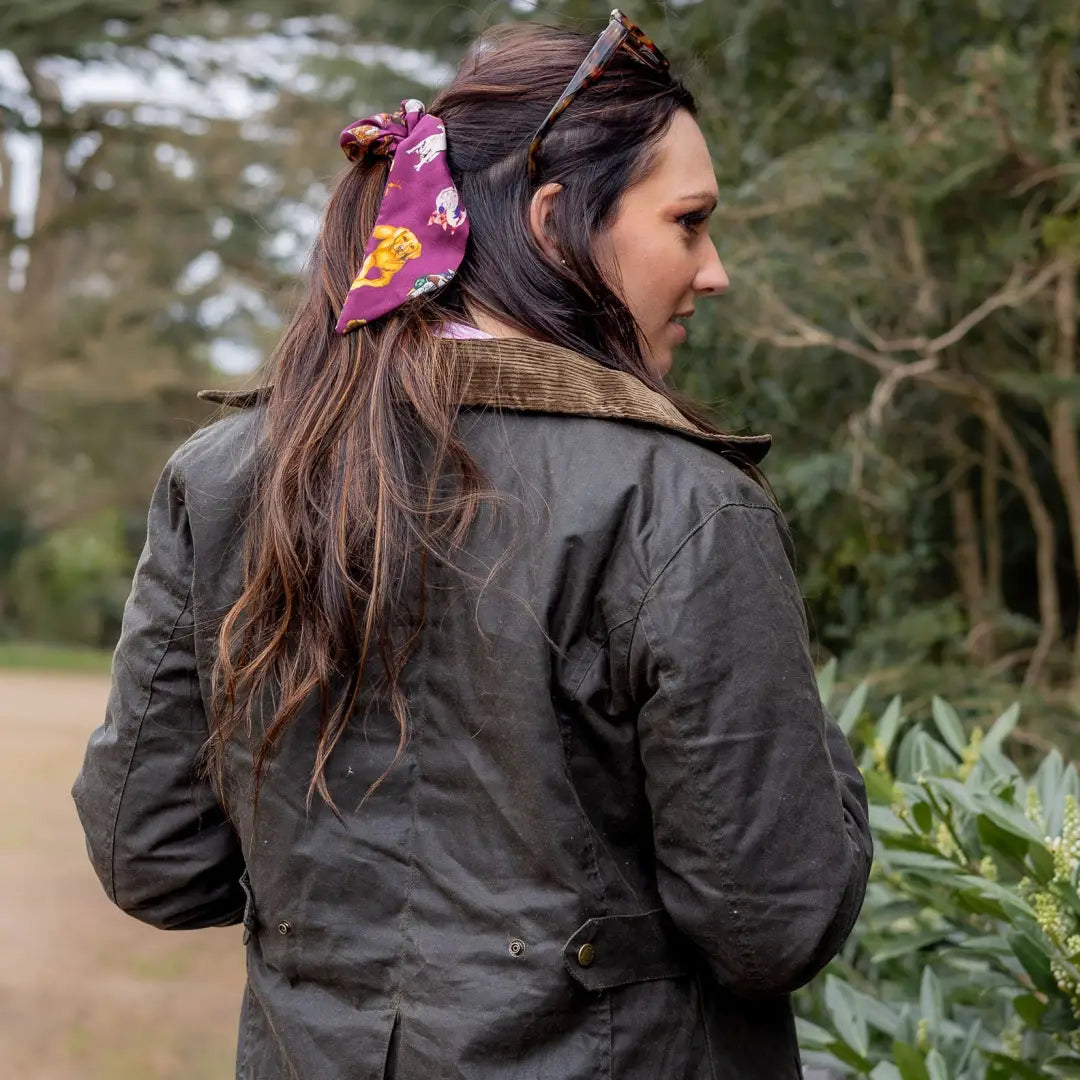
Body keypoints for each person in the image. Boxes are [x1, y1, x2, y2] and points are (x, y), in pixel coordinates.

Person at [73, 11, 872, 1079]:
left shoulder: (225, 476)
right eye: (689, 223)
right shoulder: (675, 501)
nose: (714, 270)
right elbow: (774, 920)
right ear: (553, 223)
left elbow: (154, 857)